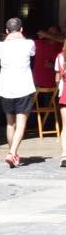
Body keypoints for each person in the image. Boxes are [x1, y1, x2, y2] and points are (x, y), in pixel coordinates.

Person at [0, 17, 36, 168]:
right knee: (21, 123)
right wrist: (21, 36)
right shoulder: (28, 43)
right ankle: (12, 153)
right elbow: (32, 53)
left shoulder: (0, 46)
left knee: (10, 123)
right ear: (22, 29)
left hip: (5, 88)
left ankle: (13, 152)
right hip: (23, 87)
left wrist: (9, 38)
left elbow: (1, 51)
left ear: (6, 31)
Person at [32, 26, 62, 91]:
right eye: (48, 32)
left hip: (50, 86)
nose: (48, 34)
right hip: (35, 84)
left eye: (52, 32)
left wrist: (53, 65)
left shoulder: (61, 47)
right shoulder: (39, 43)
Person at [55, 39, 66, 167]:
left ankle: (64, 155)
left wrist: (58, 88)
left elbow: (57, 78)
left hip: (65, 94)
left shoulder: (60, 57)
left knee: (65, 127)